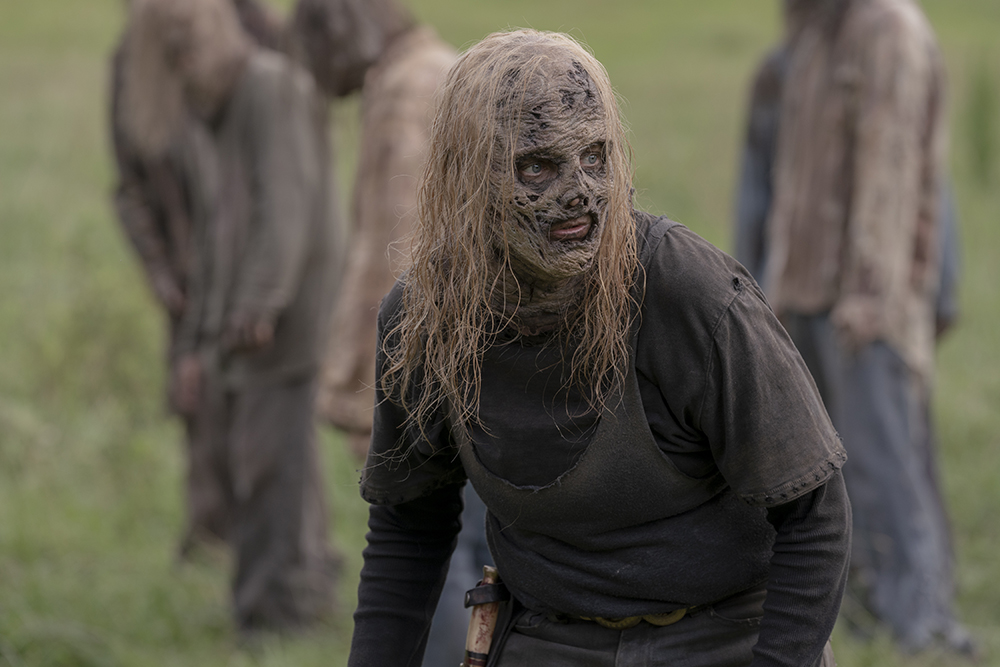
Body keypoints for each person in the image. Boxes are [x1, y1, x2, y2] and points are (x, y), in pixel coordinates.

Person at [349, 29, 851, 667]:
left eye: (595, 156)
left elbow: (815, 512)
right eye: (537, 166)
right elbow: (408, 525)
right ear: (467, 173)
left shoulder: (685, 291)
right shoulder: (425, 317)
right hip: (549, 638)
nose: (579, 193)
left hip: (725, 637)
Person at [756, 0, 975, 654]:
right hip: (805, 291)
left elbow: (891, 170)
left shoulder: (888, 30)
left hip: (863, 300)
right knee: (820, 474)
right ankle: (861, 608)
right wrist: (777, 286)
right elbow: (794, 177)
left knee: (886, 467)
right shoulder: (814, 30)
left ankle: (922, 624)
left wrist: (872, 296)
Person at [121, 0, 341, 635]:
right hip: (246, 321)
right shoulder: (216, 105)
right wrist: (198, 339)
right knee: (261, 466)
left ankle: (277, 619)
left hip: (280, 321)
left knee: (272, 468)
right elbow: (219, 235)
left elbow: (285, 208)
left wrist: (256, 305)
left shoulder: (268, 88)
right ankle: (284, 601)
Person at [109, 0, 284, 557]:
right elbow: (130, 186)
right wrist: (162, 273)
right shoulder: (131, 62)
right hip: (189, 277)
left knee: (265, 412)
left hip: (256, 267)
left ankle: (274, 548)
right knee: (196, 397)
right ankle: (210, 534)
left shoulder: (254, 37)